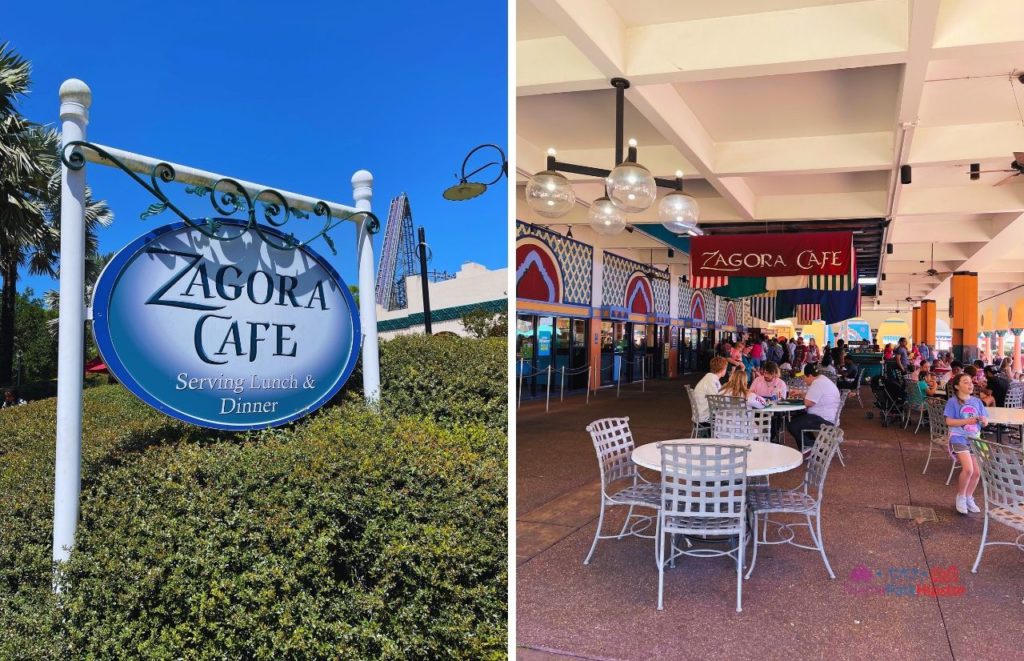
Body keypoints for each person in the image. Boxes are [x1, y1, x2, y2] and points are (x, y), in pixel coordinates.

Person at [944, 373, 988, 515]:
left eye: (970, 382)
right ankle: (961, 497)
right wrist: (966, 421)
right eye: (965, 382)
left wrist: (983, 420)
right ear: (957, 386)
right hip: (958, 437)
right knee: (968, 469)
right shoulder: (952, 402)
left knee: (976, 472)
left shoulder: (977, 401)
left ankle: (969, 497)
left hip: (974, 438)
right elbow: (949, 422)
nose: (970, 385)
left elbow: (986, 420)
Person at [787, 363, 842, 450]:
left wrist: (801, 397)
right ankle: (808, 447)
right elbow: (814, 397)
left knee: (793, 425)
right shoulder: (822, 380)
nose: (804, 380)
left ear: (810, 375)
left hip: (825, 419)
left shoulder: (818, 383)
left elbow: (808, 403)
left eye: (804, 377)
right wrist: (801, 393)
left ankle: (814, 448)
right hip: (827, 417)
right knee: (797, 419)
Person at [693, 356, 728, 424]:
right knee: (732, 416)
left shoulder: (710, 378)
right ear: (722, 369)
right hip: (705, 416)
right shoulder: (711, 380)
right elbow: (717, 400)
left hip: (702, 412)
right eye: (726, 368)